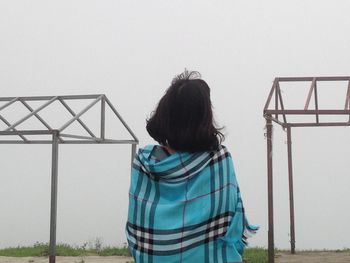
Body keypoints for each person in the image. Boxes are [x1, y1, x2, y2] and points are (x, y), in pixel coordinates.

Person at [126, 70, 257, 263]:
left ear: (165, 113)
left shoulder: (146, 162)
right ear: (204, 117)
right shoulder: (219, 160)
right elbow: (233, 231)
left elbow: (138, 232)